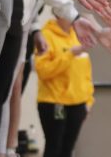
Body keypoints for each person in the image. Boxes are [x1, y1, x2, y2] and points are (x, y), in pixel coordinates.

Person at [35, 17, 94, 157]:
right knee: (55, 146)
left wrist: (88, 101)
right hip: (56, 104)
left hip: (78, 104)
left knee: (68, 149)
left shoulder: (78, 35)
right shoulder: (46, 35)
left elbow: (86, 73)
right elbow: (43, 70)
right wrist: (70, 54)